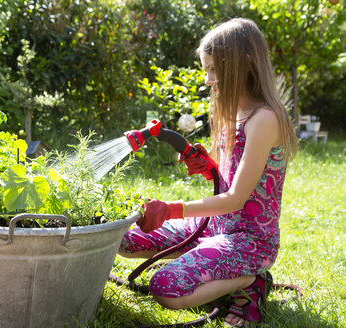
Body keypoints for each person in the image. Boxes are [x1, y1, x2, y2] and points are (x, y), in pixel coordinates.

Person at [118, 18, 298, 327]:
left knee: (165, 288)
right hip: (215, 226)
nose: (208, 80)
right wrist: (209, 167)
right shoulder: (231, 112)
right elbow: (229, 177)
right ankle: (211, 261)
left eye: (214, 70)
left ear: (244, 64)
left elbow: (235, 199)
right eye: (206, 70)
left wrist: (171, 210)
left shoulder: (264, 119)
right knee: (125, 240)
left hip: (249, 239)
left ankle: (250, 282)